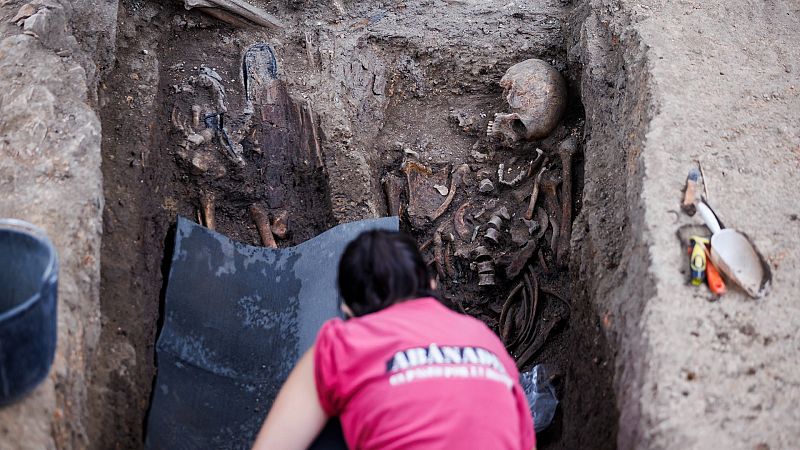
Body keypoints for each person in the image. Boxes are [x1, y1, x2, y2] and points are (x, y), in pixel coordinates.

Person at [251, 230, 536, 450]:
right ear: (431, 284)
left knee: (331, 412)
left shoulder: (341, 343)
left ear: (348, 309)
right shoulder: (485, 339)